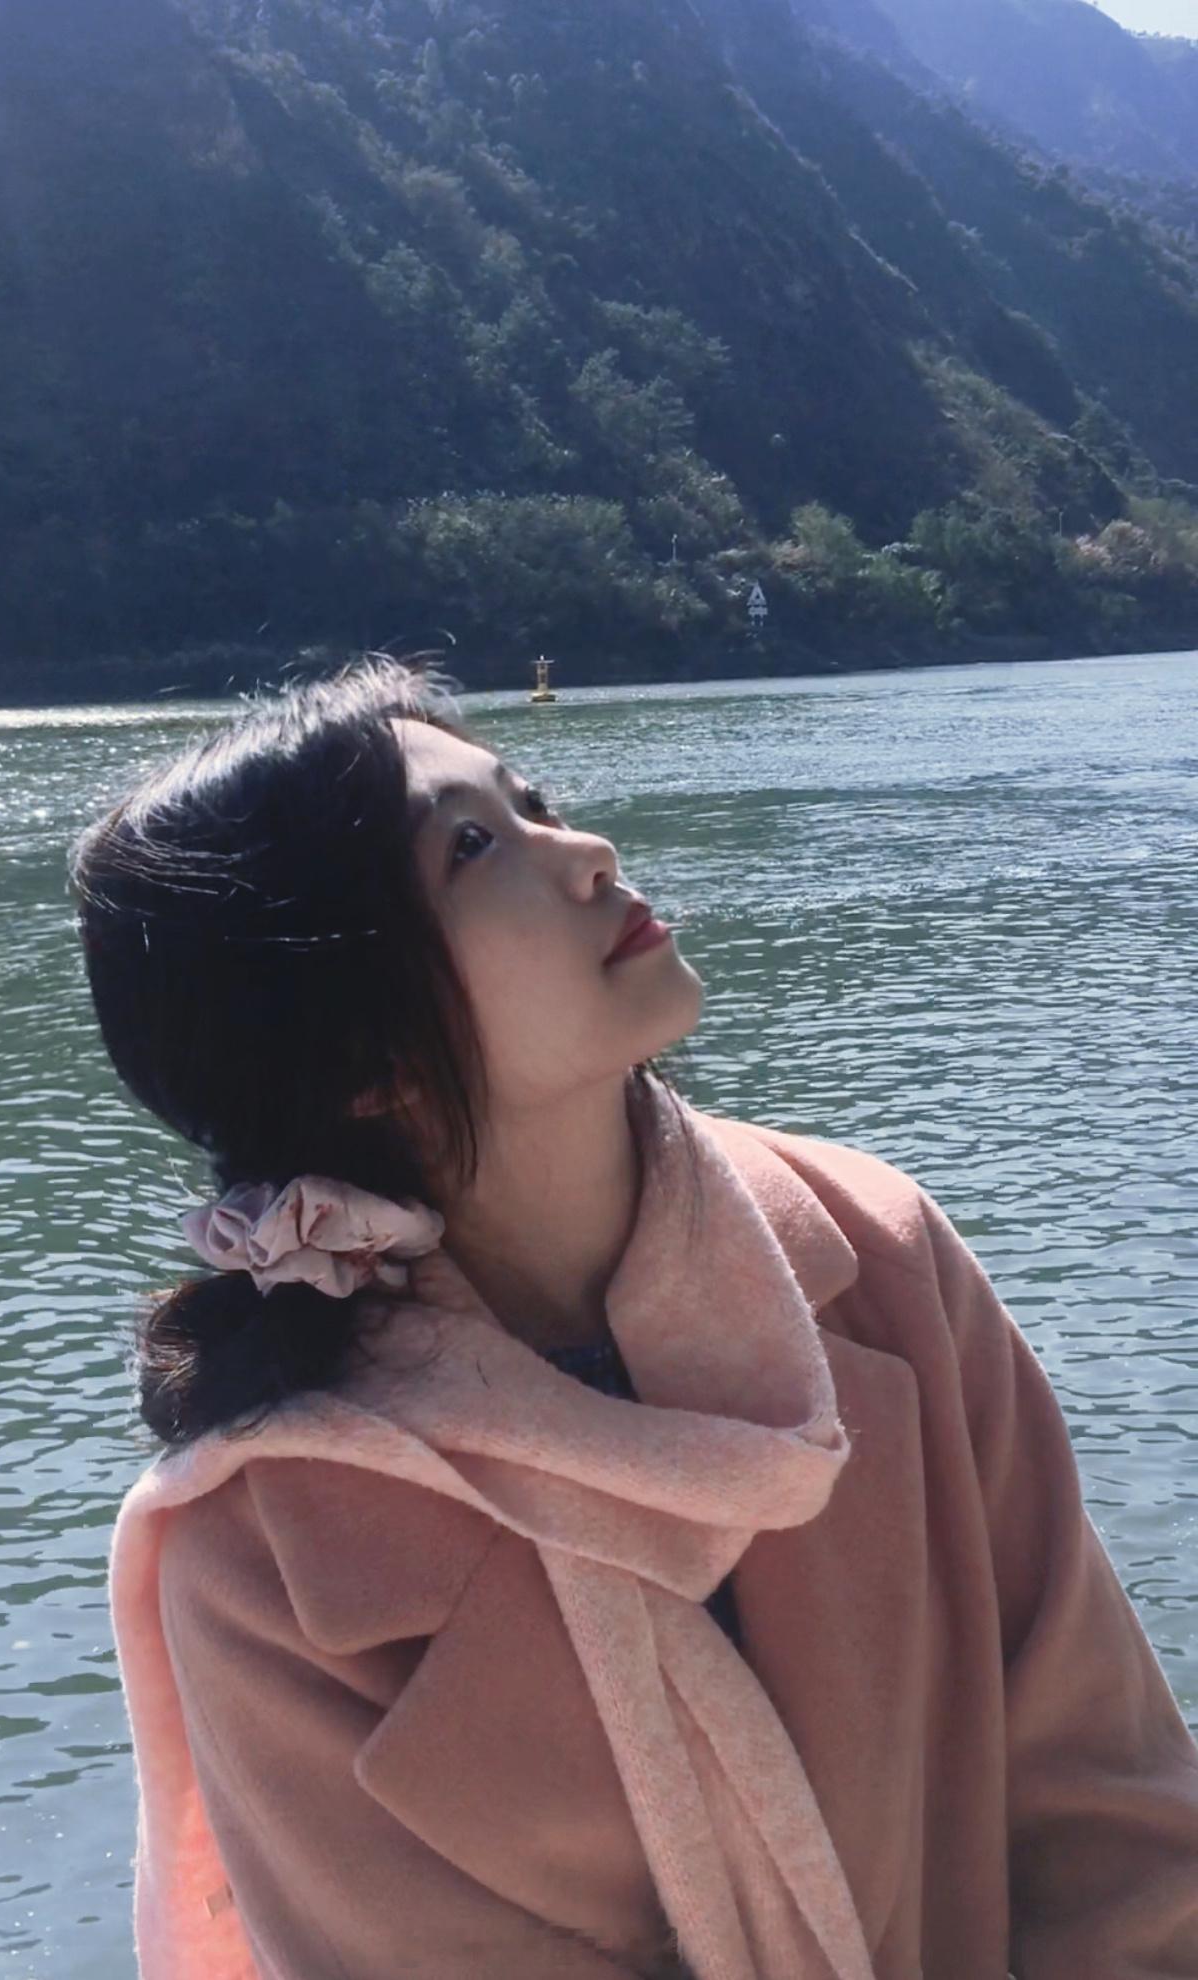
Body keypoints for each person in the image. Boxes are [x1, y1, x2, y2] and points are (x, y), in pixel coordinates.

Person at [74, 654, 1198, 1980]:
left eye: (534, 801)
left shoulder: (875, 1255)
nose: (589, 852)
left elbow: (1112, 1814)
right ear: (358, 1055)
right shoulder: (270, 1553)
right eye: (474, 847)